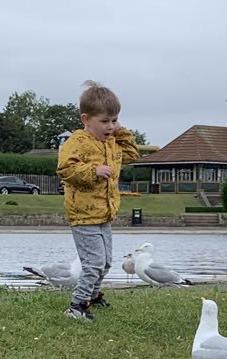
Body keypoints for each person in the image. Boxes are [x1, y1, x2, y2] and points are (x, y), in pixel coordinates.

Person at [55, 80, 139, 322]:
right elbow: (65, 169)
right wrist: (93, 171)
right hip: (83, 214)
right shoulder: (77, 142)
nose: (110, 126)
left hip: (105, 213)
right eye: (104, 121)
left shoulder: (112, 142)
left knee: (106, 262)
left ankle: (93, 296)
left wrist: (121, 131)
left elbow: (132, 153)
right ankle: (77, 304)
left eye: (114, 120)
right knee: (93, 262)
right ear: (85, 119)